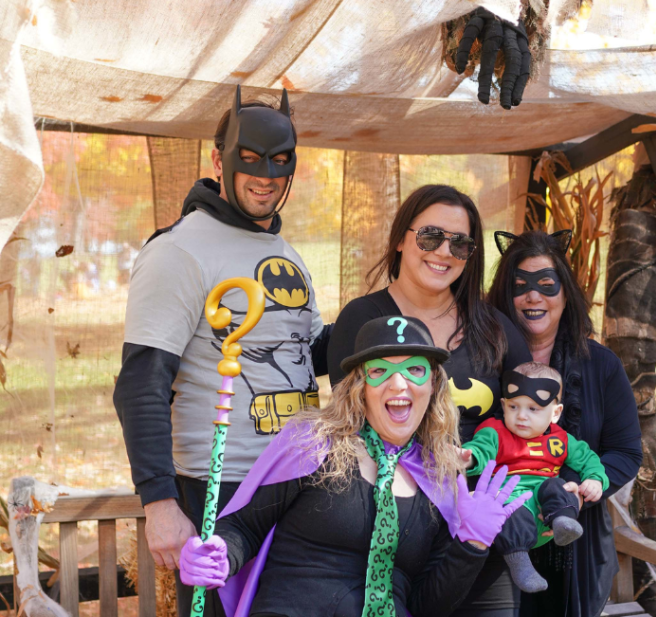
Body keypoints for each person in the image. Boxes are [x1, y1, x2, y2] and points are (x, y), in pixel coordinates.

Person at [114, 89, 331, 617]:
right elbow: (141, 384)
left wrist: (399, 313)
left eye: (280, 161)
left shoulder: (285, 253)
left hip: (298, 481)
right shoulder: (178, 251)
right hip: (220, 486)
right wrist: (160, 503)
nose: (266, 176)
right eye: (249, 158)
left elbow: (314, 354)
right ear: (218, 159)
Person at [179, 316, 529, 617]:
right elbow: (244, 527)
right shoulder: (313, 443)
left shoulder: (440, 481)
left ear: (433, 384)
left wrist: (470, 544)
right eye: (380, 371)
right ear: (361, 387)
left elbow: (426, 606)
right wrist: (221, 553)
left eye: (415, 370)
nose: (398, 383)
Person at [327, 183, 532, 616]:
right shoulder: (362, 321)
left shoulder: (493, 328)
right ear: (402, 238)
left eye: (460, 242)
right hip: (396, 530)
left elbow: (528, 420)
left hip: (481, 533)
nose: (444, 251)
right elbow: (348, 425)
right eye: (430, 236)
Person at [488, 229, 643, 617]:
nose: (533, 296)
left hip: (575, 541)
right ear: (505, 294)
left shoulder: (602, 366)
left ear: (565, 293)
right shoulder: (481, 361)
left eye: (546, 284)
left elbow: (625, 452)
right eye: (520, 285)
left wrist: (577, 491)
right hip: (493, 536)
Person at [461, 362, 609, 594]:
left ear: (556, 413)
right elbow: (480, 449)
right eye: (513, 406)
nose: (521, 416)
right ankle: (521, 565)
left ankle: (564, 523)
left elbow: (588, 458)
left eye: (533, 409)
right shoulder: (495, 432)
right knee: (503, 506)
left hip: (548, 512)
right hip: (513, 512)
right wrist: (466, 458)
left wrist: (595, 479)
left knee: (558, 486)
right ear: (503, 405)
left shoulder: (561, 440)